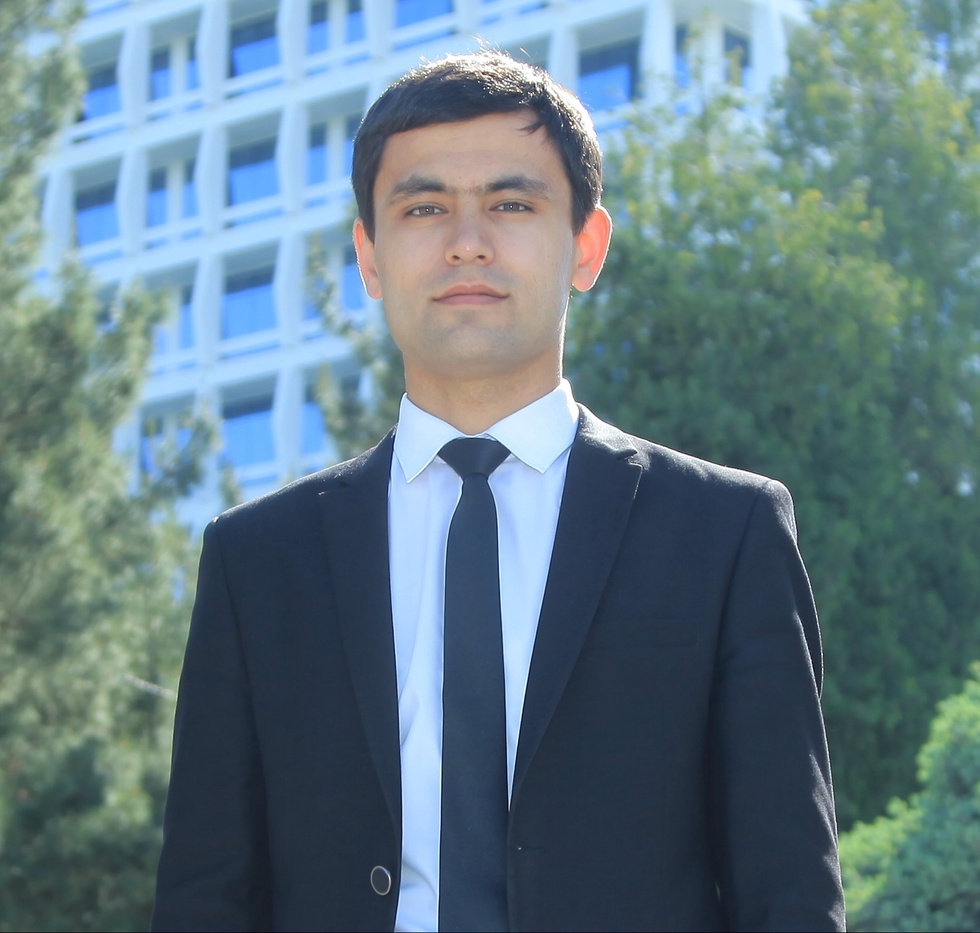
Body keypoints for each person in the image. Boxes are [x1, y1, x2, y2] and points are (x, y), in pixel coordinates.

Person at [151, 51, 845, 932]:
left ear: (586, 246)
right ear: (369, 256)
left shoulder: (725, 532)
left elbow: (789, 892)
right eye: (423, 207)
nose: (467, 241)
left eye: (512, 204)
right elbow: (204, 897)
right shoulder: (256, 560)